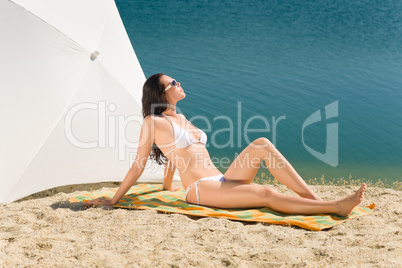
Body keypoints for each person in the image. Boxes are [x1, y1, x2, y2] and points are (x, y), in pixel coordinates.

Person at [85, 73, 366, 216]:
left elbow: (175, 156)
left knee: (262, 143)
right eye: (174, 82)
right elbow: (138, 165)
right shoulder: (152, 122)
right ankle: (334, 207)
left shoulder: (181, 117)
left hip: (219, 179)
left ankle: (315, 201)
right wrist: (113, 199)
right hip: (199, 189)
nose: (180, 84)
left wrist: (166, 187)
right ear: (162, 92)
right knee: (266, 193)